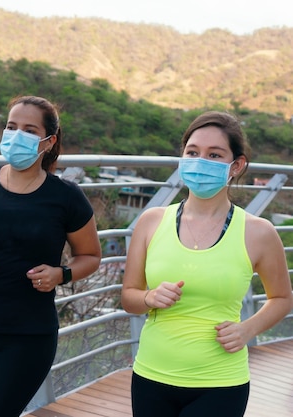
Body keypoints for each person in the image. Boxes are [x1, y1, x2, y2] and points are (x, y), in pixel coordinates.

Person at [0, 95, 102, 417]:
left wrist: (61, 274)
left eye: (28, 130)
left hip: (28, 336)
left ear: (48, 141)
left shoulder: (66, 196)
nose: (15, 136)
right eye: (11, 127)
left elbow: (90, 256)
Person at [121, 110, 293, 417]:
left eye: (214, 155)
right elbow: (129, 298)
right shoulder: (150, 222)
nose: (200, 162)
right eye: (193, 152)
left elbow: (281, 298)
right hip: (150, 376)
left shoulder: (259, 232)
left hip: (221, 384)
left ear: (236, 165)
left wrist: (247, 329)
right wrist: (149, 297)